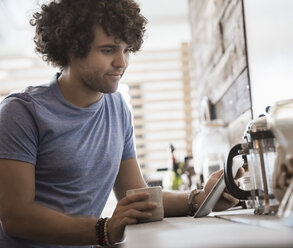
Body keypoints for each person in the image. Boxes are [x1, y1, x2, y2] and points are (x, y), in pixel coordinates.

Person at [0, 0, 241, 247]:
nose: (122, 62)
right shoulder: (21, 111)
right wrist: (103, 229)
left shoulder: (117, 108)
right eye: (108, 50)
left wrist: (201, 199)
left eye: (126, 50)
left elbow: (136, 196)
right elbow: (16, 217)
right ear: (72, 47)